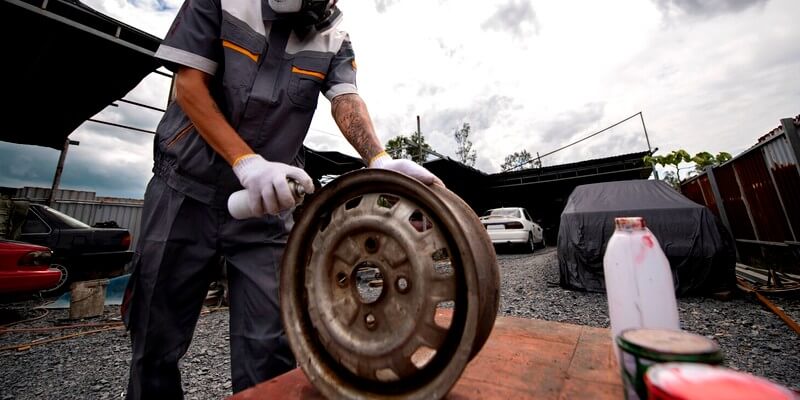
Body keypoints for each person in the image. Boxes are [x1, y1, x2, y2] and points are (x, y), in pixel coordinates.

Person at [122, 0, 443, 398]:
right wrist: (246, 163)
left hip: (268, 206)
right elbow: (188, 85)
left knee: (270, 346)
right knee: (154, 337)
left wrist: (379, 159)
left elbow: (345, 98)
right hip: (184, 191)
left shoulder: (334, 35)